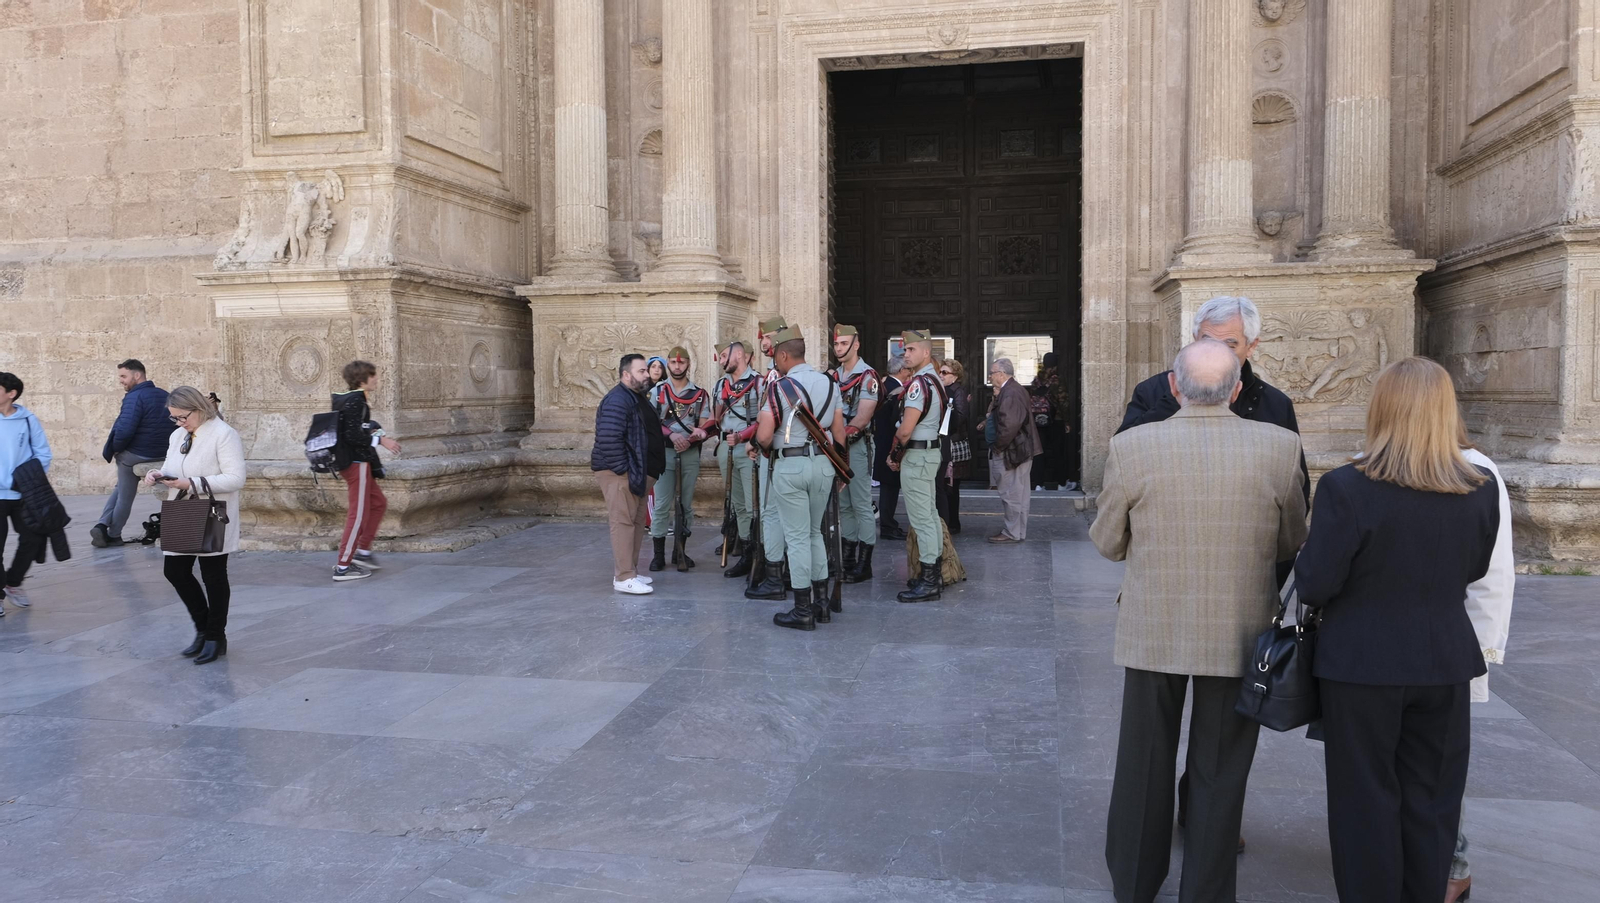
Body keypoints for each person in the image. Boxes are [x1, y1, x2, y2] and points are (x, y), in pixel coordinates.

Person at [1090, 339, 1307, 903]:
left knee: (1144, 760)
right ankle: (1207, 892)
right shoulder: (1280, 447)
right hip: (1239, 628)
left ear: (1173, 387)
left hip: (1153, 625)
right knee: (1221, 769)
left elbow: (1110, 544)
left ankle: (1135, 883)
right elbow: (1293, 542)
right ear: (1237, 389)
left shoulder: (1132, 447)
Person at [1294, 357, 1500, 903]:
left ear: (1381, 409)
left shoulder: (1346, 488)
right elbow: (1475, 569)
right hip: (1444, 663)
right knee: (1432, 802)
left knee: (1364, 803)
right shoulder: (1478, 488)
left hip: (1361, 666)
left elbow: (1314, 583)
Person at [1118, 295, 1307, 505]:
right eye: (1208, 343)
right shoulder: (1153, 390)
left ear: (1251, 346)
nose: (1217, 354)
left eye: (1229, 345)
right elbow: (1123, 458)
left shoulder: (1275, 404)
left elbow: (1295, 492)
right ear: (1194, 338)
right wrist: (1177, 395)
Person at [1449, 441, 1515, 903]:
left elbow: (1493, 571)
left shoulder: (1477, 472)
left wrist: (1482, 650)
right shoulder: (1360, 468)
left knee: (1436, 766)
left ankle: (1453, 863)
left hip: (1448, 648)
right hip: (1371, 649)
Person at [144, 386, 246, 665]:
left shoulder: (224, 434)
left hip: (213, 512)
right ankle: (203, 629)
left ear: (198, 408)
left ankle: (216, 636)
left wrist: (193, 483)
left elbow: (236, 478)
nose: (179, 422)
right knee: (174, 570)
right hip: (183, 510)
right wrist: (158, 474)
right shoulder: (178, 435)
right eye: (174, 418)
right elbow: (172, 466)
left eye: (182, 416)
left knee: (213, 574)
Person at [756, 326, 846, 630]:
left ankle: (803, 609)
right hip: (823, 466)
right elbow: (839, 431)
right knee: (814, 534)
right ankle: (822, 605)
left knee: (795, 538)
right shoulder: (830, 384)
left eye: (775, 357)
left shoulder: (779, 387)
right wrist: (842, 467)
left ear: (783, 355)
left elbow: (765, 436)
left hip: (791, 466)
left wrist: (760, 442)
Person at [888, 330, 946, 604]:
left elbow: (905, 431)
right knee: (930, 516)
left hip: (917, 456)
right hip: (930, 453)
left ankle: (929, 581)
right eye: (905, 350)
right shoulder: (935, 381)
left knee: (922, 519)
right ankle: (933, 574)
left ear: (926, 353)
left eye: (911, 350)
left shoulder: (918, 384)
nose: (905, 354)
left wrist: (894, 455)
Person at [593, 354, 659, 595]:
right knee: (622, 522)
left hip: (635, 472)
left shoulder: (634, 396)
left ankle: (629, 570)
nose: (646, 374)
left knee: (635, 522)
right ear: (626, 374)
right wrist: (624, 470)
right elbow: (609, 438)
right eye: (641, 371)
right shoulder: (617, 399)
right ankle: (623, 577)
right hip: (619, 473)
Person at [330, 361, 400, 582]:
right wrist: (381, 440)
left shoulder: (352, 400)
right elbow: (351, 436)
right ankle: (343, 565)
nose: (376, 379)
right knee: (358, 513)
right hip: (355, 463)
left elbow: (354, 429)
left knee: (378, 503)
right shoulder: (354, 401)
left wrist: (371, 428)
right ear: (362, 380)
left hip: (360, 463)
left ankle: (363, 552)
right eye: (373, 376)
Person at [91, 359, 169, 548]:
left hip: (137, 455)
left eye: (123, 376)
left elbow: (124, 431)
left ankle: (114, 533)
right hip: (163, 454)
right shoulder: (165, 394)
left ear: (137, 375)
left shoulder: (135, 397)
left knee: (125, 493)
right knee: (120, 487)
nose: (121, 381)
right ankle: (101, 525)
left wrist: (117, 449)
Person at [746, 316, 795, 601]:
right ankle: (785, 571)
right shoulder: (780, 373)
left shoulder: (777, 375)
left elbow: (771, 417)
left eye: (765, 337)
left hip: (774, 451)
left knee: (772, 513)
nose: (762, 342)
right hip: (783, 451)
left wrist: (754, 441)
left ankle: (775, 576)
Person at [648, 346, 709, 571]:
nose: (677, 366)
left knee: (685, 505)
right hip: (664, 453)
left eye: (681, 362)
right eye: (673, 363)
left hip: (690, 453)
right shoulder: (657, 392)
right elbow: (651, 424)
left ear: (688, 365)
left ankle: (680, 551)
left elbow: (705, 423)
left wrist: (694, 437)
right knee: (663, 503)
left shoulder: (699, 394)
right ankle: (657, 554)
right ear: (668, 365)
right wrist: (672, 436)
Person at [830, 325, 879, 583]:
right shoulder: (833, 376)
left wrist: (838, 432)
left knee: (861, 504)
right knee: (844, 504)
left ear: (856, 345)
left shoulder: (867, 376)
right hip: (837, 447)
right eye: (836, 344)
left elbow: (862, 418)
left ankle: (864, 563)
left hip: (857, 446)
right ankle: (847, 558)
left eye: (844, 343)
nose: (839, 348)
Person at [0, 372, 52, 612]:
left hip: (22, 494)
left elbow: (42, 454)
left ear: (11, 394)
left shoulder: (28, 420)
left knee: (33, 538)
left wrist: (23, 480)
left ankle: (13, 582)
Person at [712, 341, 762, 578]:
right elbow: (715, 417)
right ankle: (744, 551)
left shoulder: (759, 382)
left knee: (754, 505)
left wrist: (746, 437)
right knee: (738, 504)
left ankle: (758, 554)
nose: (721, 360)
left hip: (748, 448)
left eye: (724, 356)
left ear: (740, 355)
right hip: (726, 446)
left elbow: (765, 419)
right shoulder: (721, 384)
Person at [987, 357, 1039, 543]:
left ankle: (1011, 532)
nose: (990, 376)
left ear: (1001, 374)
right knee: (1020, 494)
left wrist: (998, 447)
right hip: (1020, 450)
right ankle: (1017, 532)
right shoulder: (1015, 389)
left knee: (1012, 494)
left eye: (992, 373)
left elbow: (1009, 425)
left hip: (1013, 451)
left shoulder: (1010, 393)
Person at [872, 354, 909, 542]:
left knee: (889, 487)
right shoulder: (896, 390)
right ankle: (888, 525)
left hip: (881, 441)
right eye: (908, 369)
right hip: (890, 444)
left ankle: (889, 523)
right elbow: (898, 420)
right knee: (890, 488)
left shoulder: (883, 386)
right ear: (902, 371)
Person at [935, 358, 970, 533]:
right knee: (943, 485)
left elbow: (961, 415)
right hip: (944, 441)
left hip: (954, 443)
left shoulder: (958, 391)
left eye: (944, 372)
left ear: (955, 376)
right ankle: (945, 521)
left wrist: (947, 430)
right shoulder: (941, 389)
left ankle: (953, 523)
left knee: (951, 486)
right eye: (940, 372)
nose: (940, 375)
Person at [1029, 351, 1072, 489]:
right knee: (1058, 452)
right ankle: (1061, 483)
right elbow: (1063, 401)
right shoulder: (1057, 380)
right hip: (1056, 420)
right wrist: (1066, 421)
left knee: (1039, 452)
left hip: (1038, 420)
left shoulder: (1036, 380)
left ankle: (1038, 484)